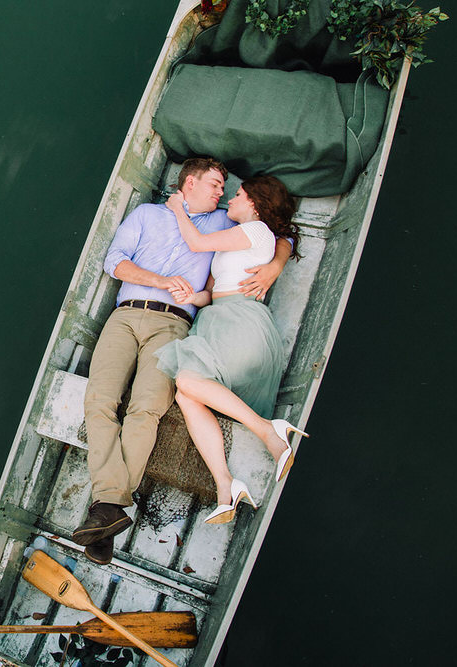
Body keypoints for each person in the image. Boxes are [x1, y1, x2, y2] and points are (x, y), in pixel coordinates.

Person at [72, 158, 293, 565]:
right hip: (124, 316)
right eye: (214, 185)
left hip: (174, 325)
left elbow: (279, 235)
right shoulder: (147, 214)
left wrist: (276, 266)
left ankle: (107, 507)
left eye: (227, 189)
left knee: (146, 408)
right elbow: (114, 260)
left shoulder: (227, 223)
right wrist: (158, 281)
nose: (222, 194)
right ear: (189, 182)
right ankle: (111, 509)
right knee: (99, 401)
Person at [155, 175, 308, 525]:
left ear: (255, 202)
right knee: (186, 394)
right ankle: (226, 485)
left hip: (240, 324)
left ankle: (268, 431)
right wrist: (193, 298)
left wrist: (179, 207)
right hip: (218, 320)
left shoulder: (257, 231)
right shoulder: (234, 242)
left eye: (237, 194)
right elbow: (213, 291)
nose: (231, 200)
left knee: (187, 383)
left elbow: (195, 243)